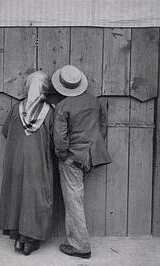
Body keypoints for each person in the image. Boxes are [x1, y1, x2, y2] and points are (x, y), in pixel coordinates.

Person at [52, 65, 112, 259]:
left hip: (72, 157)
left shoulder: (63, 105)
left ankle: (81, 247)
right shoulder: (95, 102)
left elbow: (59, 137)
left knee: (73, 201)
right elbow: (103, 128)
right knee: (76, 197)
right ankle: (78, 242)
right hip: (91, 157)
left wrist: (62, 155)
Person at [0, 71, 54, 256]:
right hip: (38, 162)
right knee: (35, 197)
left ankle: (17, 240)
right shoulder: (49, 111)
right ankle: (29, 241)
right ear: (45, 88)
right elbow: (55, 140)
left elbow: (6, 132)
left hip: (15, 161)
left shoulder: (17, 108)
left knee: (16, 194)